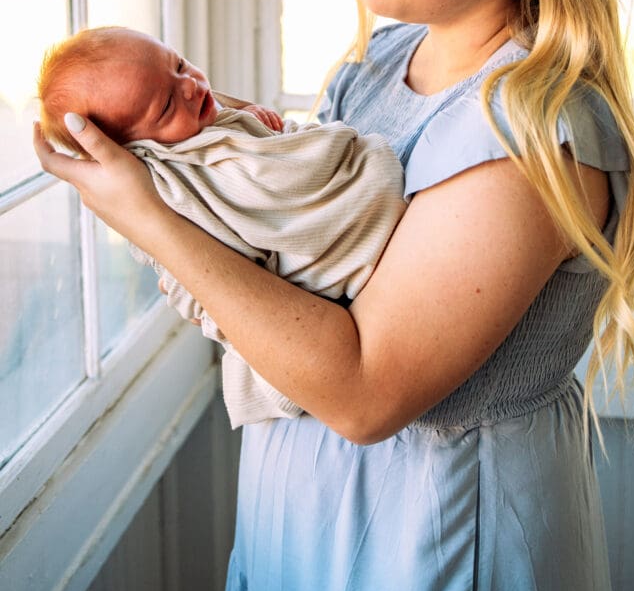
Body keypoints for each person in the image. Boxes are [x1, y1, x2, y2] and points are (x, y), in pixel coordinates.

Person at [34, 0, 634, 591]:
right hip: (301, 513)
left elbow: (365, 394)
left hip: (433, 543)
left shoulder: (534, 135)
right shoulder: (380, 65)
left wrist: (138, 210)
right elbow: (293, 256)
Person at [37, 26, 406, 427]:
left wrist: (247, 120)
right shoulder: (168, 183)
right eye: (164, 105)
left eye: (178, 63)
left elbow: (253, 139)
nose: (191, 86)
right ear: (133, 150)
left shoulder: (198, 124)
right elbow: (258, 194)